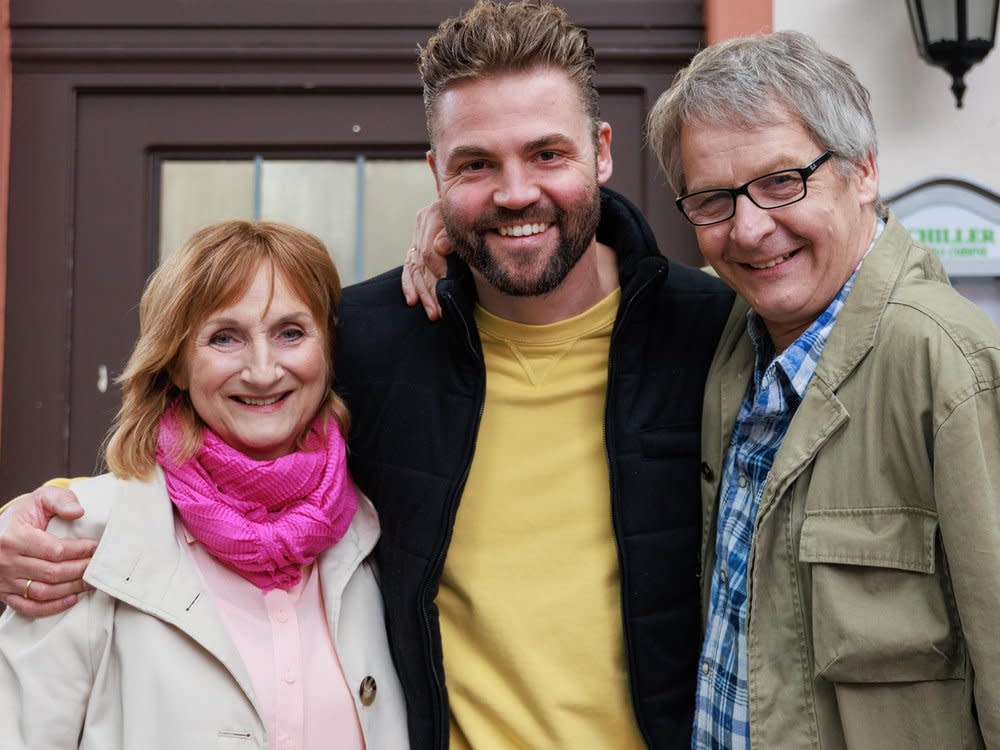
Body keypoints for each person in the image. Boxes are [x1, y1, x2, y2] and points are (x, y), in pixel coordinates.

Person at [0, 2, 735, 748]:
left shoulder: (713, 332)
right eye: (476, 163)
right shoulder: (374, 341)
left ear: (602, 151)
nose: (515, 192)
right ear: (436, 175)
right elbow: (220, 454)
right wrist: (27, 527)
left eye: (547, 154)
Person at [644, 30, 1000, 748]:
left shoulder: (949, 367)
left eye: (781, 182)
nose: (749, 230)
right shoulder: (731, 344)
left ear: (863, 171)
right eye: (713, 198)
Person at [0, 221, 408, 748]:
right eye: (225, 337)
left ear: (327, 350)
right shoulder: (84, 537)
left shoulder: (375, 524)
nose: (262, 371)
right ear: (175, 364)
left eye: (290, 332)